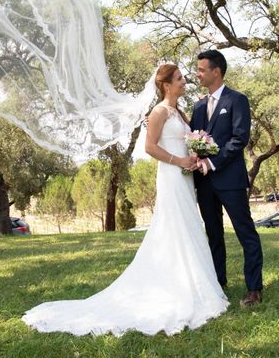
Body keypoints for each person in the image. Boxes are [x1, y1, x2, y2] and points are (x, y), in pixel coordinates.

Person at [22, 64, 229, 336]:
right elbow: (150, 147)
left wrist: (196, 153)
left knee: (187, 225)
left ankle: (191, 281)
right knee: (174, 225)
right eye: (179, 78)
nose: (184, 81)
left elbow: (184, 140)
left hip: (185, 176)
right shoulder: (158, 112)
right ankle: (177, 286)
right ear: (166, 85)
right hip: (171, 174)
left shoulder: (178, 111)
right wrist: (179, 160)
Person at [190, 50, 264, 307]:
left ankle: (254, 288)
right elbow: (193, 137)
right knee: (213, 234)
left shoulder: (237, 100)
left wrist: (213, 162)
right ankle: (218, 284)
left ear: (216, 71)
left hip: (230, 180)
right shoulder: (198, 105)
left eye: (201, 69)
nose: (197, 74)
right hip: (205, 183)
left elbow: (239, 139)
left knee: (246, 233)